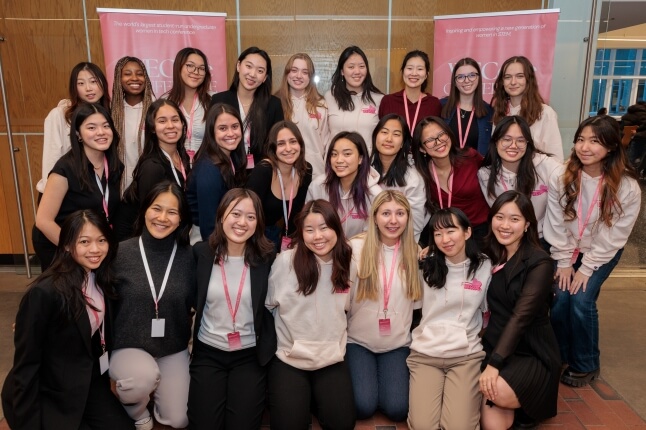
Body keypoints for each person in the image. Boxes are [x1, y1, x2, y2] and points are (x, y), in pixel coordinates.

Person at [1, 209, 134, 430]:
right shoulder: (46, 293)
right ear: (67, 245)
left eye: (101, 240)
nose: (95, 249)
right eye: (84, 241)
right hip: (47, 390)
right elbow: (26, 366)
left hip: (86, 380)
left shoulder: (101, 277)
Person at [544, 115, 641, 388]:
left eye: (595, 142)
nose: (585, 147)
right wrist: (563, 262)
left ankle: (587, 363)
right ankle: (560, 353)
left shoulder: (627, 186)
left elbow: (615, 237)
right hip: (567, 248)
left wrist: (586, 268)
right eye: (580, 140)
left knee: (582, 299)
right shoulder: (561, 176)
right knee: (561, 295)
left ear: (610, 146)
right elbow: (555, 221)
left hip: (602, 251)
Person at [110, 181, 195, 430]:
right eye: (156, 208)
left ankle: (148, 390)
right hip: (129, 345)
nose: (162, 218)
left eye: (172, 212)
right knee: (141, 379)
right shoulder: (119, 253)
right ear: (145, 210)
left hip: (172, 348)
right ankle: (137, 411)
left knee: (178, 420)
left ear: (181, 219)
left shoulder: (190, 257)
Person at [188, 188, 276, 430]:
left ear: (258, 223)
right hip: (208, 352)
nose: (242, 222)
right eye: (235, 213)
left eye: (250, 216)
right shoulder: (201, 254)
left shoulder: (267, 259)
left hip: (249, 356)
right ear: (221, 216)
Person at [266, 199, 356, 430]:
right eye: (309, 230)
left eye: (324, 227)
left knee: (342, 424)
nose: (318, 236)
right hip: (291, 357)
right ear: (301, 233)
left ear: (336, 227)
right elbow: (269, 305)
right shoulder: (285, 262)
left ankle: (316, 399)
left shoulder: (348, 261)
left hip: (331, 356)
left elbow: (349, 306)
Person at [480, 191, 560, 429]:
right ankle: (519, 414)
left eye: (514, 219)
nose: (505, 225)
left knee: (496, 390)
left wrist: (494, 364)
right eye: (500, 217)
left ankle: (525, 407)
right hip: (495, 342)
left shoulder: (539, 262)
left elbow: (521, 317)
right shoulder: (489, 252)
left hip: (531, 350)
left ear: (527, 225)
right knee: (491, 420)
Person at [408, 207, 491, 430]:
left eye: (451, 231)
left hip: (465, 357)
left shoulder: (484, 267)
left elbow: (486, 313)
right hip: (426, 354)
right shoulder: (425, 265)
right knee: (423, 426)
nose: (445, 239)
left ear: (467, 232)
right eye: (437, 233)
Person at [347, 190, 422, 422]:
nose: (393, 220)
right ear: (375, 217)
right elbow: (342, 304)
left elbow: (419, 305)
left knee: (398, 409)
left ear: (408, 218)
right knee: (362, 406)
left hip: (396, 344)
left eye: (400, 213)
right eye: (386, 213)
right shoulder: (355, 249)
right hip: (358, 342)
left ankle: (380, 385)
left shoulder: (416, 253)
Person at [33, 103, 122, 271]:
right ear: (78, 134)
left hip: (90, 246)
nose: (101, 132)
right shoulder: (65, 169)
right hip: (60, 245)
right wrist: (74, 250)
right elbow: (43, 221)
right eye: (91, 127)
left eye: (106, 126)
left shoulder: (114, 165)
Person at [115, 99, 191, 241]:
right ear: (152, 128)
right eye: (162, 121)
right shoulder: (153, 167)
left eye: (175, 120)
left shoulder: (182, 156)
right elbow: (150, 217)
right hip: (134, 240)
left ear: (182, 123)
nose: (170, 126)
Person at [478, 116, 561, 240]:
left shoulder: (545, 165)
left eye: (520, 140)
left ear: (528, 143)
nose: (513, 145)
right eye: (506, 139)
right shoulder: (485, 175)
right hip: (506, 239)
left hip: (541, 239)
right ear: (496, 142)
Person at [412, 116, 489, 247]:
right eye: (430, 140)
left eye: (441, 134)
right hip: (447, 237)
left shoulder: (470, 158)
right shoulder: (422, 173)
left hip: (480, 234)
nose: (438, 142)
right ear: (422, 148)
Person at [38, 62, 111, 193]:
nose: (88, 88)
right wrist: (51, 193)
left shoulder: (109, 114)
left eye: (93, 81)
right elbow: (52, 157)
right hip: (66, 190)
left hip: (96, 190)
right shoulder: (59, 115)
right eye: (81, 83)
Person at [211, 46, 284, 166]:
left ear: (265, 77)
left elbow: (277, 143)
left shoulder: (274, 104)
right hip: (226, 168)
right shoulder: (219, 100)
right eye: (248, 66)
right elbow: (211, 139)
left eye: (260, 71)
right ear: (239, 66)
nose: (252, 74)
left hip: (261, 171)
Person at [247, 121, 313, 251]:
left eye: (293, 141)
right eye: (281, 143)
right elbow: (247, 213)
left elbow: (296, 214)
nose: (288, 148)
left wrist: (288, 249)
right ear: (272, 148)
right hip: (253, 235)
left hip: (278, 235)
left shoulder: (305, 170)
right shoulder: (264, 170)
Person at [186, 103, 247, 241]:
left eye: (235, 127)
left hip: (225, 233)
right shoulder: (208, 169)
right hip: (208, 240)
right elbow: (208, 226)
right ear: (212, 132)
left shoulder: (231, 158)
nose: (231, 133)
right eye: (223, 128)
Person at [307, 131, 383, 238]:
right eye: (334, 154)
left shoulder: (375, 194)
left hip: (360, 250)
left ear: (360, 158)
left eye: (347, 154)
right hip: (323, 247)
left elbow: (375, 235)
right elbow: (308, 225)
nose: (339, 160)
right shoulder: (318, 186)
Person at [491, 56, 563, 160]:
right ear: (502, 82)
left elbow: (556, 158)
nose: (513, 82)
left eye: (519, 76)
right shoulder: (499, 112)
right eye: (507, 77)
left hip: (535, 175)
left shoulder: (545, 113)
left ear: (529, 79)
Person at [370, 113, 428, 241]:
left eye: (396, 134)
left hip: (403, 242)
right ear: (375, 137)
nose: (389, 139)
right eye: (384, 132)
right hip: (370, 239)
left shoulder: (413, 178)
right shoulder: (364, 169)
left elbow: (415, 225)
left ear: (403, 143)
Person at [275, 53, 330, 177]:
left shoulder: (321, 105)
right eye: (294, 70)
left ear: (310, 77)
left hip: (316, 172)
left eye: (305, 72)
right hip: (283, 172)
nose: (299, 76)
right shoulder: (275, 103)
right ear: (287, 73)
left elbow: (327, 144)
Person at [325, 46, 384, 152]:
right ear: (342, 71)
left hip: (367, 163)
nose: (357, 71)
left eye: (361, 66)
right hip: (337, 163)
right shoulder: (329, 98)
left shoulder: (379, 100)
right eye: (351, 67)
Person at [110, 56, 156, 193]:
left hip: (150, 183)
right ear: (119, 78)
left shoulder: (156, 109)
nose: (135, 78)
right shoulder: (112, 111)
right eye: (127, 74)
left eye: (140, 74)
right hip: (119, 186)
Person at [164, 48, 213, 164]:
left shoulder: (213, 101)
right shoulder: (165, 102)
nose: (196, 72)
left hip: (206, 168)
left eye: (201, 68)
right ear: (178, 67)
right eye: (190, 66)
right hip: (173, 168)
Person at [440, 57, 494, 155]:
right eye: (460, 77)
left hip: (476, 169)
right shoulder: (441, 106)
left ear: (479, 78)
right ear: (455, 82)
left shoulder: (489, 112)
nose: (467, 80)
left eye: (472, 75)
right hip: (446, 168)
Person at [379, 50, 441, 132]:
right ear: (403, 71)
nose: (414, 73)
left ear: (426, 75)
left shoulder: (434, 103)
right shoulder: (388, 101)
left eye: (420, 69)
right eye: (409, 68)